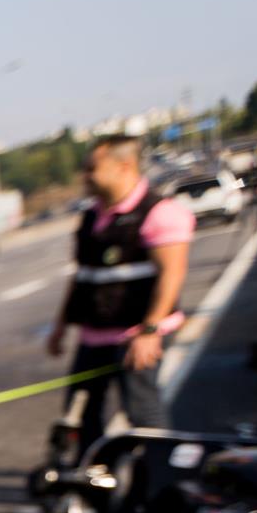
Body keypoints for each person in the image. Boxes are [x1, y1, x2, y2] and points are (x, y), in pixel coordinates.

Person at [46, 137, 193, 455]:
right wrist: (61, 326)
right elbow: (82, 276)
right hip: (94, 336)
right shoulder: (90, 217)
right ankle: (97, 483)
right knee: (81, 415)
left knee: (143, 414)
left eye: (92, 168)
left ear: (123, 166)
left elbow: (172, 273)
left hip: (136, 334)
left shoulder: (158, 213)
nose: (85, 176)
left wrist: (150, 329)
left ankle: (159, 483)